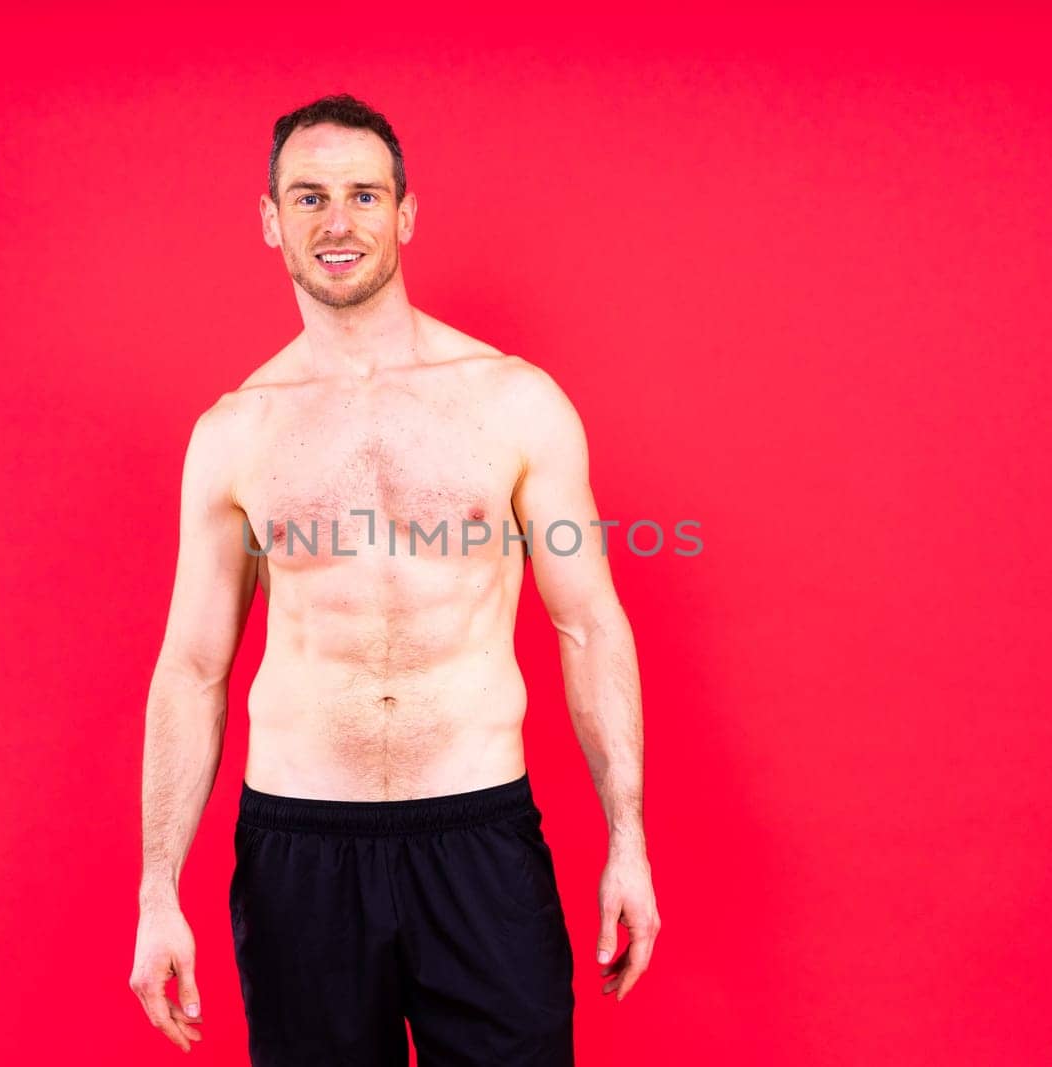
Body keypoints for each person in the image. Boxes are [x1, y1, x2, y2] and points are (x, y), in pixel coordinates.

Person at [129, 93, 660, 1064]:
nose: (338, 221)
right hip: (299, 853)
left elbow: (589, 624)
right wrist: (157, 884)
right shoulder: (235, 432)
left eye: (364, 195)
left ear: (404, 214)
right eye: (309, 196)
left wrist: (627, 834)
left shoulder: (513, 401)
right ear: (269, 219)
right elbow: (193, 667)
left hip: (478, 837)